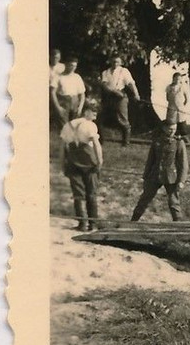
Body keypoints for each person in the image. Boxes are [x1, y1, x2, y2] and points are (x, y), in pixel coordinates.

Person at [131, 120, 190, 221]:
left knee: (174, 202)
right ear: (164, 128)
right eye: (170, 129)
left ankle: (179, 225)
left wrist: (181, 181)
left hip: (171, 177)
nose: (172, 131)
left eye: (174, 129)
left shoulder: (179, 143)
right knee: (145, 198)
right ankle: (133, 221)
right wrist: (145, 176)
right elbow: (150, 160)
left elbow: (183, 164)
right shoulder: (157, 141)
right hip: (155, 175)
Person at [60, 101, 103, 231]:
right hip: (89, 161)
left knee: (78, 194)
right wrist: (100, 160)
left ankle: (82, 224)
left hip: (72, 161)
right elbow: (96, 144)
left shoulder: (67, 126)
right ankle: (93, 224)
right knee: (91, 192)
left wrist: (62, 164)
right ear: (85, 112)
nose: (95, 113)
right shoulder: (90, 125)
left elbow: (62, 148)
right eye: (93, 110)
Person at [100, 56, 140, 146]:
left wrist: (136, 94)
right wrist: (114, 91)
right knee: (101, 118)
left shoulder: (124, 71)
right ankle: (100, 141)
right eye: (113, 61)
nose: (115, 64)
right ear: (110, 61)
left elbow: (130, 83)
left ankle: (126, 142)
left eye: (117, 62)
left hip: (121, 96)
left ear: (121, 62)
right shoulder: (105, 72)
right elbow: (104, 85)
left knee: (123, 119)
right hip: (109, 96)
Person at [54, 55, 87, 122]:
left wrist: (80, 107)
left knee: (74, 125)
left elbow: (82, 94)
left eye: (75, 66)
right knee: (63, 125)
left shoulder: (77, 77)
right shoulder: (59, 76)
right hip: (63, 102)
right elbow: (52, 92)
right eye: (71, 65)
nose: (73, 68)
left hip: (75, 102)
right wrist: (58, 107)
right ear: (66, 64)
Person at [49, 50, 65, 130]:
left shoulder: (62, 67)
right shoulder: (45, 66)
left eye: (58, 58)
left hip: (59, 90)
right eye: (54, 57)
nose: (56, 59)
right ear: (50, 57)